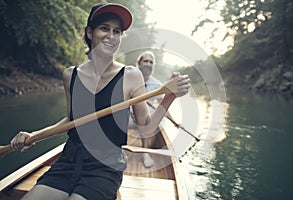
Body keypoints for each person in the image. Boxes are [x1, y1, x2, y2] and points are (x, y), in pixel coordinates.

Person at [10, 3, 190, 200]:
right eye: (104, 28)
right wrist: (34, 135)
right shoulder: (71, 75)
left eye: (117, 31)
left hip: (105, 167)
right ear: (90, 32)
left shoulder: (131, 75)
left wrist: (169, 96)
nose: (111, 36)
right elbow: (72, 120)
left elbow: (145, 128)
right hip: (68, 161)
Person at [128, 51, 163, 168]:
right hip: (128, 117)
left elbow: (162, 106)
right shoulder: (129, 79)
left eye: (151, 62)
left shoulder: (157, 85)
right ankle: (116, 150)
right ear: (139, 63)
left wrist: (176, 123)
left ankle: (145, 152)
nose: (148, 64)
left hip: (144, 118)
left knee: (146, 122)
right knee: (117, 119)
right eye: (145, 61)